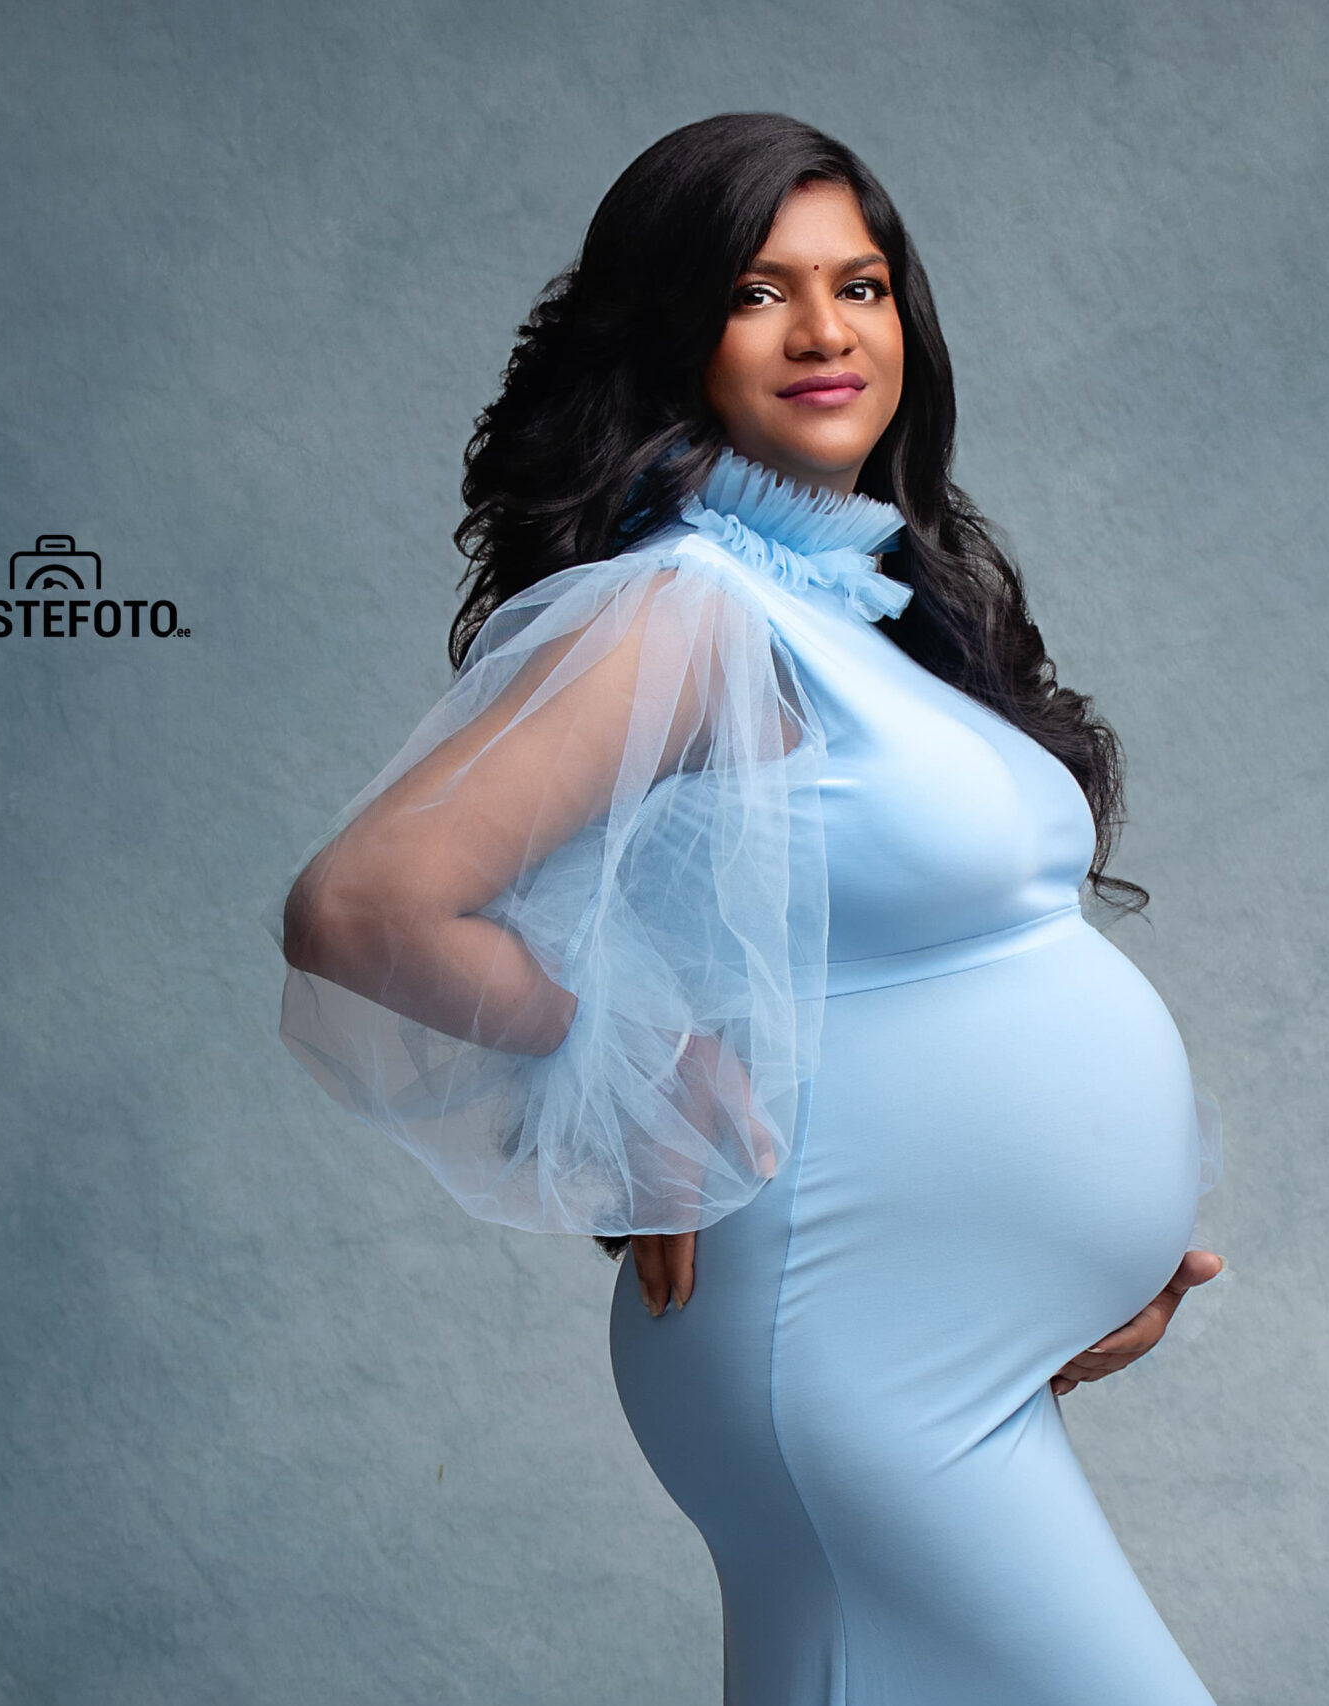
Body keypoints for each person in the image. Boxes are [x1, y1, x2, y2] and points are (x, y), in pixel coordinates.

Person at [277, 111, 1226, 1704]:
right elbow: (364, 905)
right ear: (672, 332)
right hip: (847, 1345)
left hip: (933, 1344)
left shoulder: (849, 602)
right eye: (757, 292)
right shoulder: (681, 603)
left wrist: (1091, 1254)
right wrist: (633, 1063)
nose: (824, 332)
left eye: (860, 285)